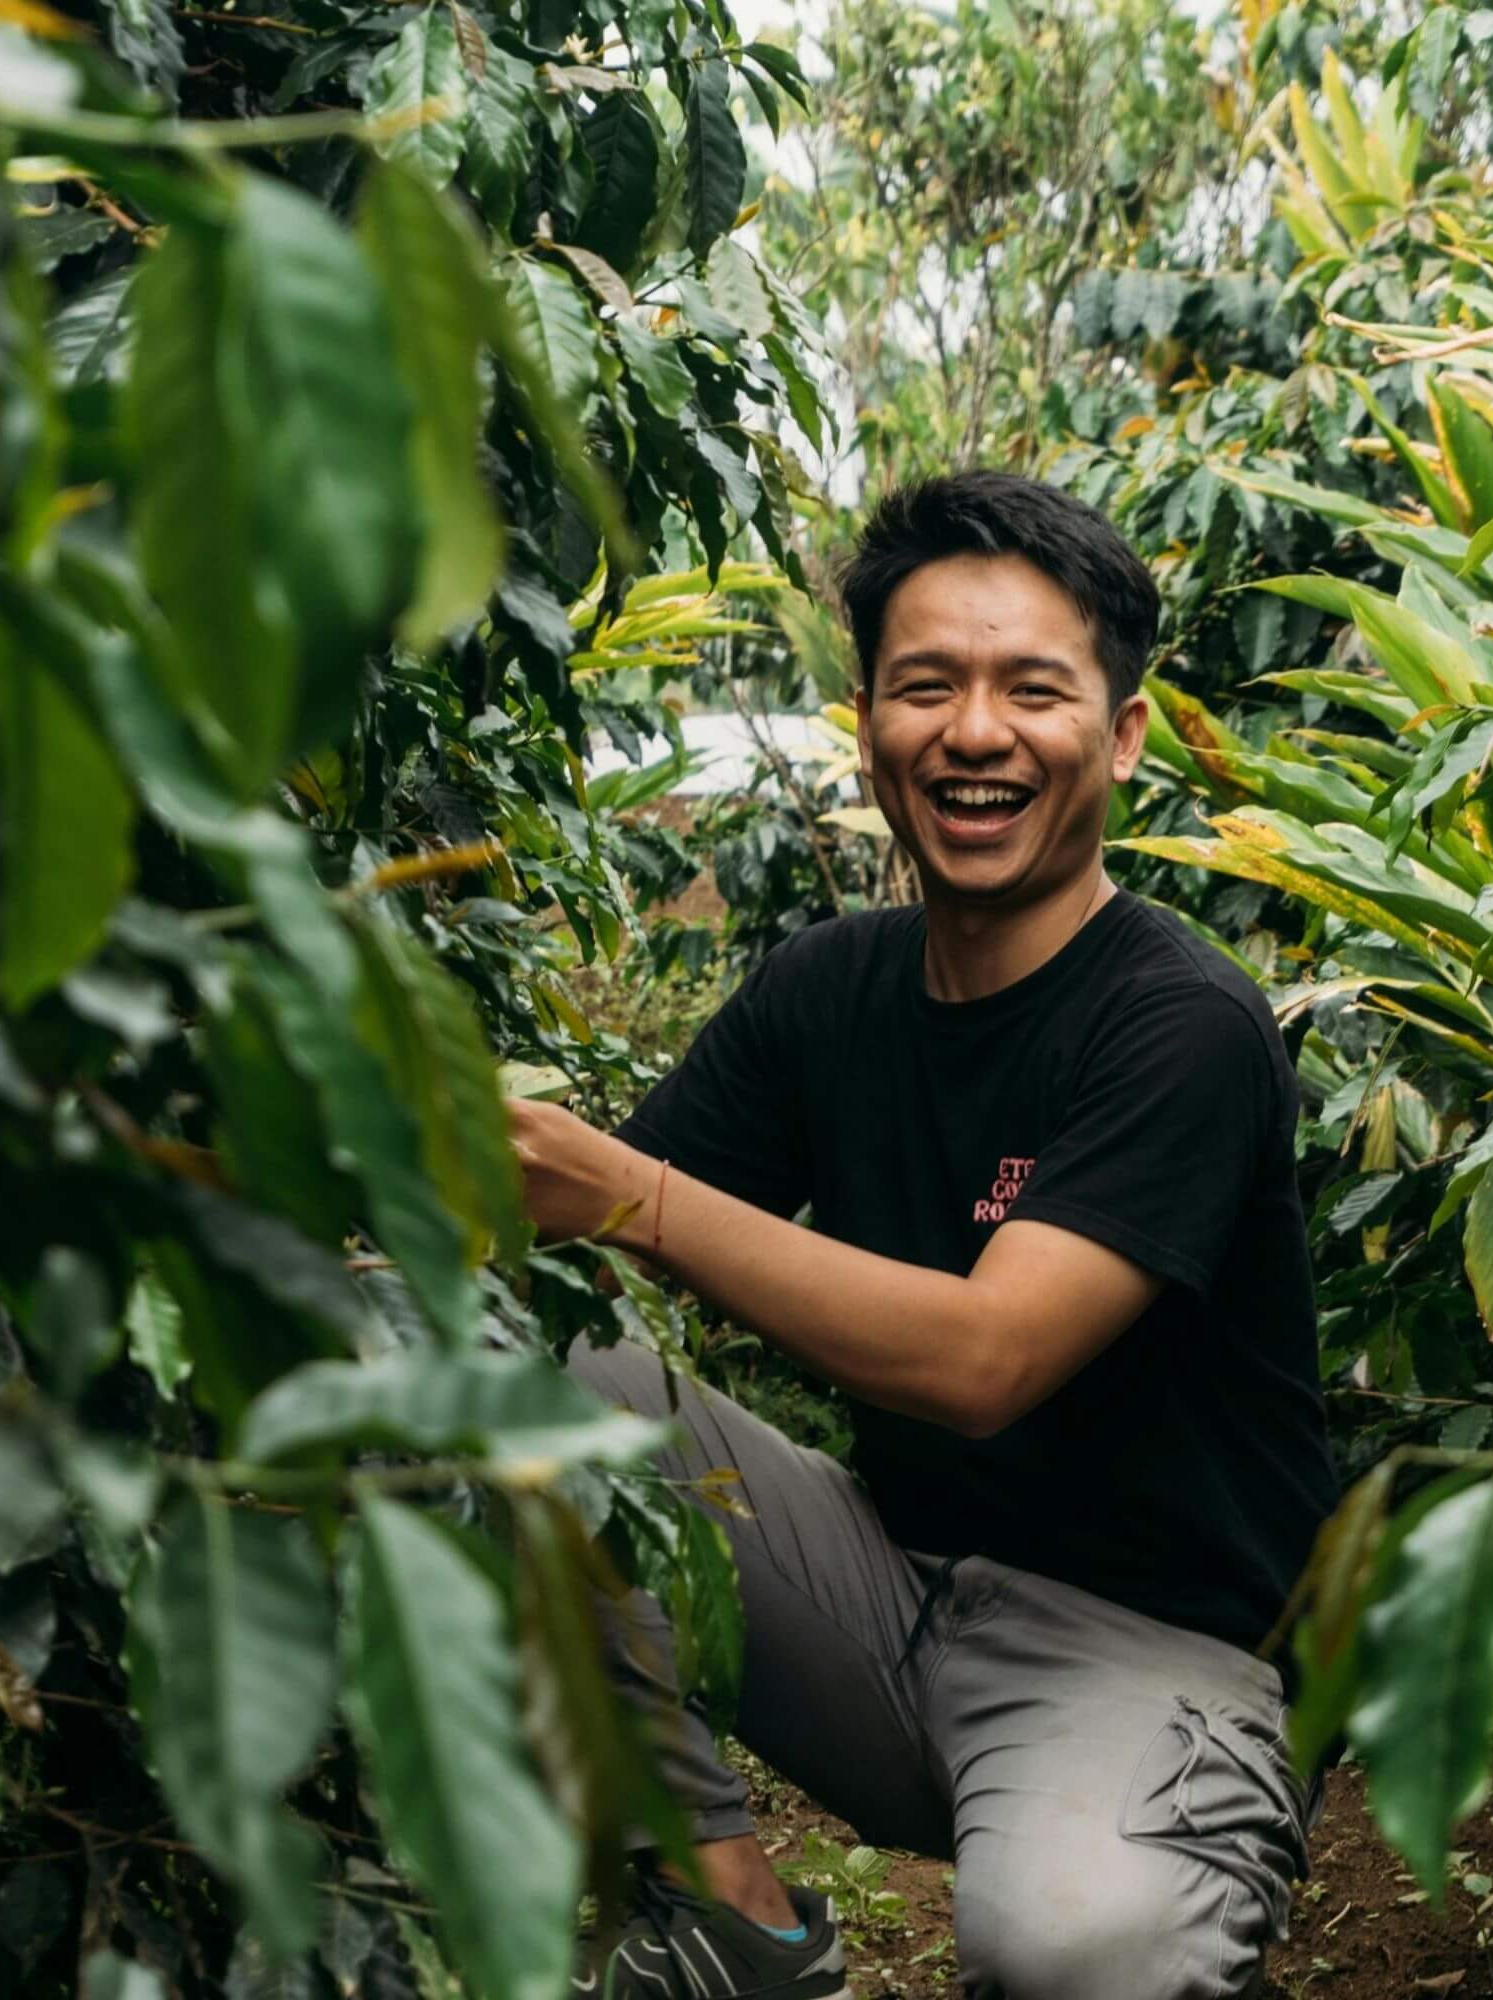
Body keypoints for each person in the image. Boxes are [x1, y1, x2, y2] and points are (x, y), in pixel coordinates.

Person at [508, 471, 1340, 2000]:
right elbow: (562, 1245)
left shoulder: (1183, 1025)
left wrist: (632, 1193)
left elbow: (984, 1362)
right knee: (519, 1360)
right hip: (885, 1604)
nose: (975, 733)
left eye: (1033, 690)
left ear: (1123, 736)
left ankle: (1161, 1875)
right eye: (928, 686)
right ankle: (734, 1919)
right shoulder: (828, 990)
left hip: (1154, 1656)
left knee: (1077, 1951)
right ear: (870, 726)